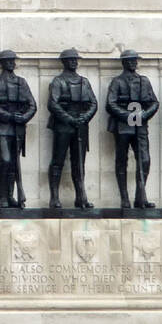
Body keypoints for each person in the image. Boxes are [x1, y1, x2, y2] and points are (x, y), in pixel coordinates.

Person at [106, 49, 159, 209]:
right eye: (129, 60)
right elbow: (111, 103)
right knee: (122, 161)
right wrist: (128, 116)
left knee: (144, 160)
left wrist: (143, 115)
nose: (133, 63)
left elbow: (154, 103)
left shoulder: (144, 81)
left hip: (140, 125)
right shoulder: (117, 82)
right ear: (123, 63)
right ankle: (124, 198)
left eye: (135, 60)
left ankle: (140, 197)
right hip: (123, 126)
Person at [0, 50, 37, 209]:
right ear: (2, 63)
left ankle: (11, 196)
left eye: (12, 60)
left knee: (14, 163)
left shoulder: (22, 82)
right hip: (1, 126)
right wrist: (9, 117)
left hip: (18, 127)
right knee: (5, 161)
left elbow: (32, 105)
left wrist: (24, 117)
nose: (11, 63)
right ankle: (2, 197)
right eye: (7, 60)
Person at [46, 49, 97, 209]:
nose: (74, 62)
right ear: (64, 62)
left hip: (81, 125)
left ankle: (81, 196)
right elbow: (52, 103)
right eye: (70, 59)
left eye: (75, 59)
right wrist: (69, 119)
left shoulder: (84, 82)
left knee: (79, 162)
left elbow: (93, 103)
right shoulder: (58, 81)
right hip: (63, 125)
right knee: (58, 161)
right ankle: (54, 197)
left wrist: (84, 117)